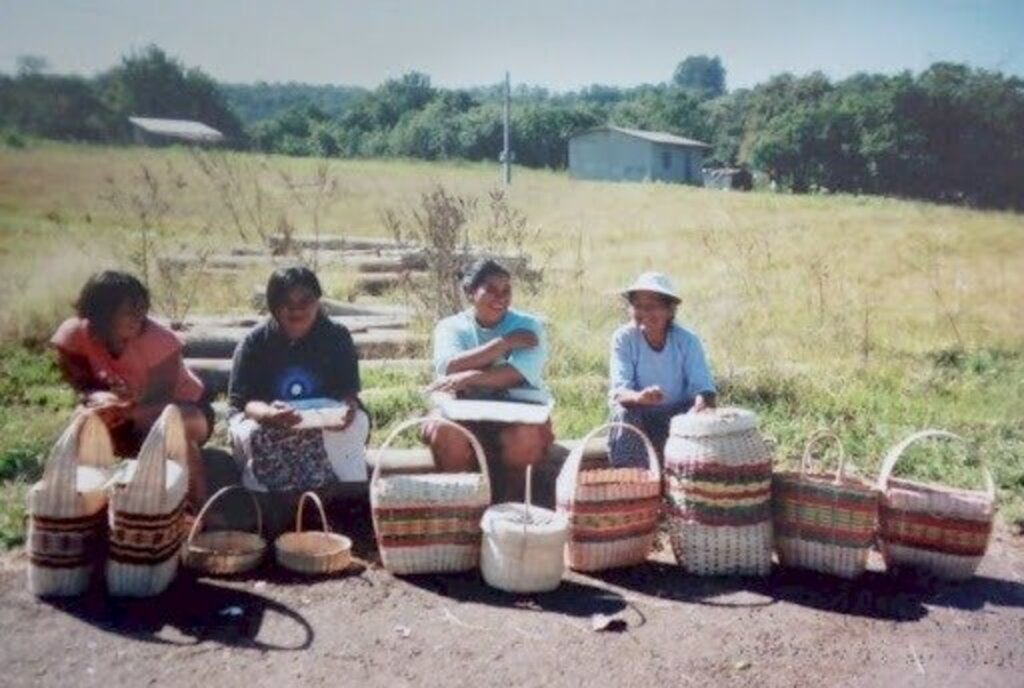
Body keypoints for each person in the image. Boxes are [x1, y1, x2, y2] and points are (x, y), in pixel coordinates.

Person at [50, 270, 213, 508]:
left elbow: (162, 398)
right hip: (119, 413)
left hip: (178, 410)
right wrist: (98, 398)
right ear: (102, 313)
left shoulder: (159, 341)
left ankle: (197, 508)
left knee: (173, 428)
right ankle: (79, 504)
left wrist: (125, 409)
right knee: (81, 420)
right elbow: (80, 383)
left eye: (142, 311)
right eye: (129, 312)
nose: (138, 318)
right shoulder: (76, 335)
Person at [228, 266, 370, 534]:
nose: (296, 310)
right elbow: (244, 402)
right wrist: (269, 415)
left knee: (355, 424)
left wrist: (346, 409)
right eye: (286, 303)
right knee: (259, 435)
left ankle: (337, 507)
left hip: (323, 417)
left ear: (318, 301)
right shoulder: (254, 343)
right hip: (265, 417)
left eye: (305, 301)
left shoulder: (337, 336)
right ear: (273, 306)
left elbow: (348, 391)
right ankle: (276, 514)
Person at [423, 259, 553, 502]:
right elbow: (449, 366)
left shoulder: (527, 326)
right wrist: (503, 344)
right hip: (460, 408)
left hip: (518, 410)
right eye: (490, 290)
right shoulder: (451, 327)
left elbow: (516, 374)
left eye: (506, 291)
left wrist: (470, 377)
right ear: (470, 292)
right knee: (446, 433)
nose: (500, 297)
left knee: (524, 439)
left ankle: (510, 507)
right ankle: (460, 510)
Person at [607, 272, 716, 467]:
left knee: (702, 416)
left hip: (677, 417)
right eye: (638, 307)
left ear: (669, 311)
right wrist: (640, 398)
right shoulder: (623, 338)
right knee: (623, 412)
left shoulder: (687, 340)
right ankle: (635, 482)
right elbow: (619, 391)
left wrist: (701, 406)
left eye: (651, 307)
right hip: (640, 415)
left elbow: (703, 388)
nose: (644, 314)